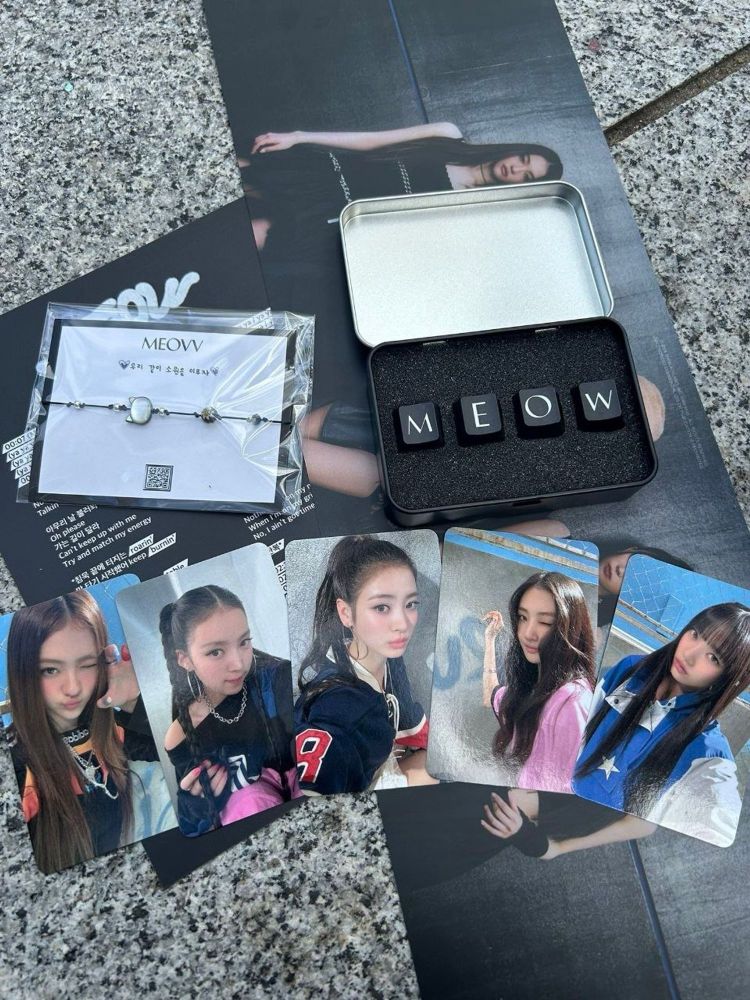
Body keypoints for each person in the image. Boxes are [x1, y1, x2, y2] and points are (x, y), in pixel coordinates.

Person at [6, 591, 161, 873]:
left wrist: (134, 703)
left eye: (87, 664)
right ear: (23, 673)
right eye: (50, 670)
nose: (73, 687)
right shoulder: (17, 760)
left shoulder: (112, 730)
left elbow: (185, 750)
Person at [239, 123, 562, 251]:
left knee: (248, 235)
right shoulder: (448, 135)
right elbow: (371, 140)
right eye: (523, 159)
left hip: (329, 214)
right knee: (239, 176)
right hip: (321, 173)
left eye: (526, 176)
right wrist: (299, 137)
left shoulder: (467, 209)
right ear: (516, 149)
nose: (516, 168)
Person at [295, 535, 436, 794]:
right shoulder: (339, 703)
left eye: (410, 604)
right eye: (382, 607)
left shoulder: (388, 655)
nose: (403, 623)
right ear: (346, 613)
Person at [160, 584, 300, 836]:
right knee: (248, 804)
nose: (238, 664)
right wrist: (197, 804)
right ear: (185, 660)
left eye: (244, 642)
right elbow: (192, 827)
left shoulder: (275, 680)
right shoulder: (183, 732)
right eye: (216, 651)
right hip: (257, 827)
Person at [481, 571, 596, 793]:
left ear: (570, 628)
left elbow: (564, 798)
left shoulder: (571, 701)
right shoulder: (533, 690)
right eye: (523, 617)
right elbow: (491, 696)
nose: (527, 633)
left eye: (544, 622)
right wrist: (490, 639)